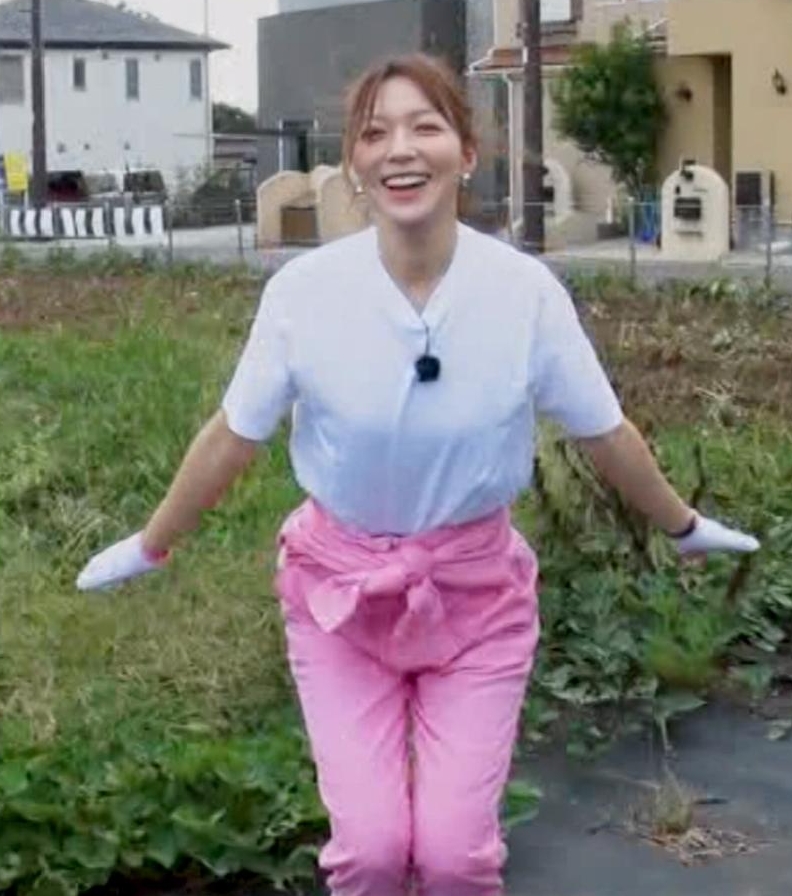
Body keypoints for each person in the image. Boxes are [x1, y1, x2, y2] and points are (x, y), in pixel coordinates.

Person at [77, 54, 759, 896]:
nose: (400, 149)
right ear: (355, 165)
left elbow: (604, 432)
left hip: (476, 599)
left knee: (452, 857)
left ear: (465, 154)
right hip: (339, 598)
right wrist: (151, 544)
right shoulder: (304, 294)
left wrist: (683, 525)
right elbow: (232, 436)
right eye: (375, 134)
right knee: (369, 852)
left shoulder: (523, 293)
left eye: (425, 127)